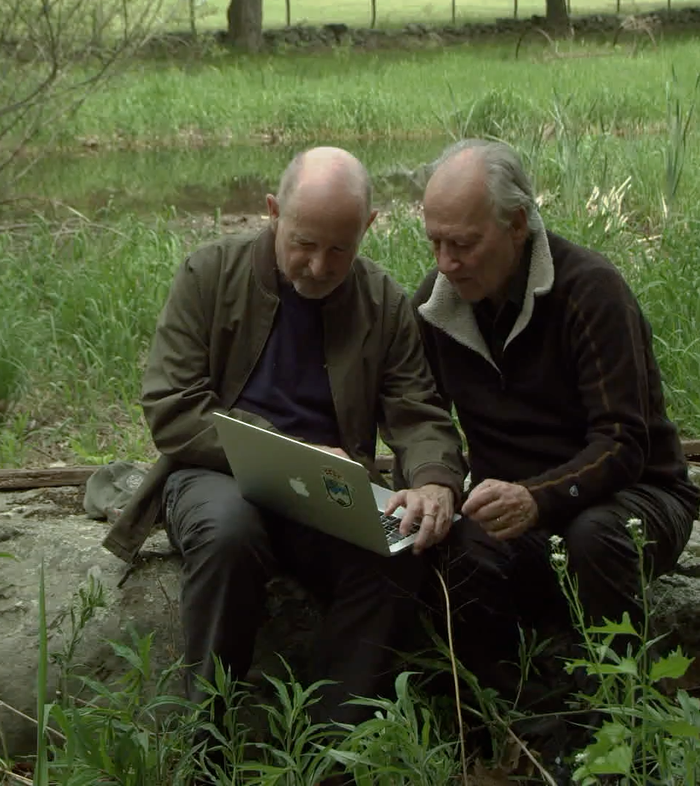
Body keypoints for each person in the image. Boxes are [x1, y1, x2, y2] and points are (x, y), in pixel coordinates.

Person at [101, 146, 466, 742]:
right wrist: (287, 448)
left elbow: (419, 413)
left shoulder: (383, 302)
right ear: (273, 212)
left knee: (397, 555)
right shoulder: (210, 273)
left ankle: (331, 755)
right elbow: (171, 407)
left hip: (324, 490)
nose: (320, 266)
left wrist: (432, 480)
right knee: (228, 536)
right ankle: (206, 746)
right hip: (216, 470)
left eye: (339, 249)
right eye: (303, 242)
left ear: (367, 229)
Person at [410, 138, 700, 759]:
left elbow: (624, 441)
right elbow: (423, 417)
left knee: (596, 534)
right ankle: (511, 721)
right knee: (444, 545)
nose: (446, 262)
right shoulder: (435, 306)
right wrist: (432, 480)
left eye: (462, 243)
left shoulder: (590, 291)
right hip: (518, 511)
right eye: (434, 242)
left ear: (517, 225)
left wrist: (536, 499)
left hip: (639, 495)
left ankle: (615, 734)